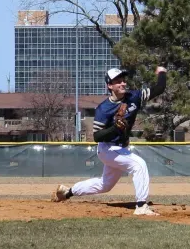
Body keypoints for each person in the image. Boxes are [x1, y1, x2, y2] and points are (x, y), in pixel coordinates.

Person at [51, 66, 167, 215]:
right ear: (110, 86)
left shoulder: (134, 97)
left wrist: (162, 72)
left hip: (122, 149)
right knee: (139, 165)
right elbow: (97, 137)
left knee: (105, 185)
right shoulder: (104, 109)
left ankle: (67, 192)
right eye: (118, 81)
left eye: (123, 80)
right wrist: (115, 129)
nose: (123, 83)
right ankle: (141, 206)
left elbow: (159, 88)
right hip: (107, 149)